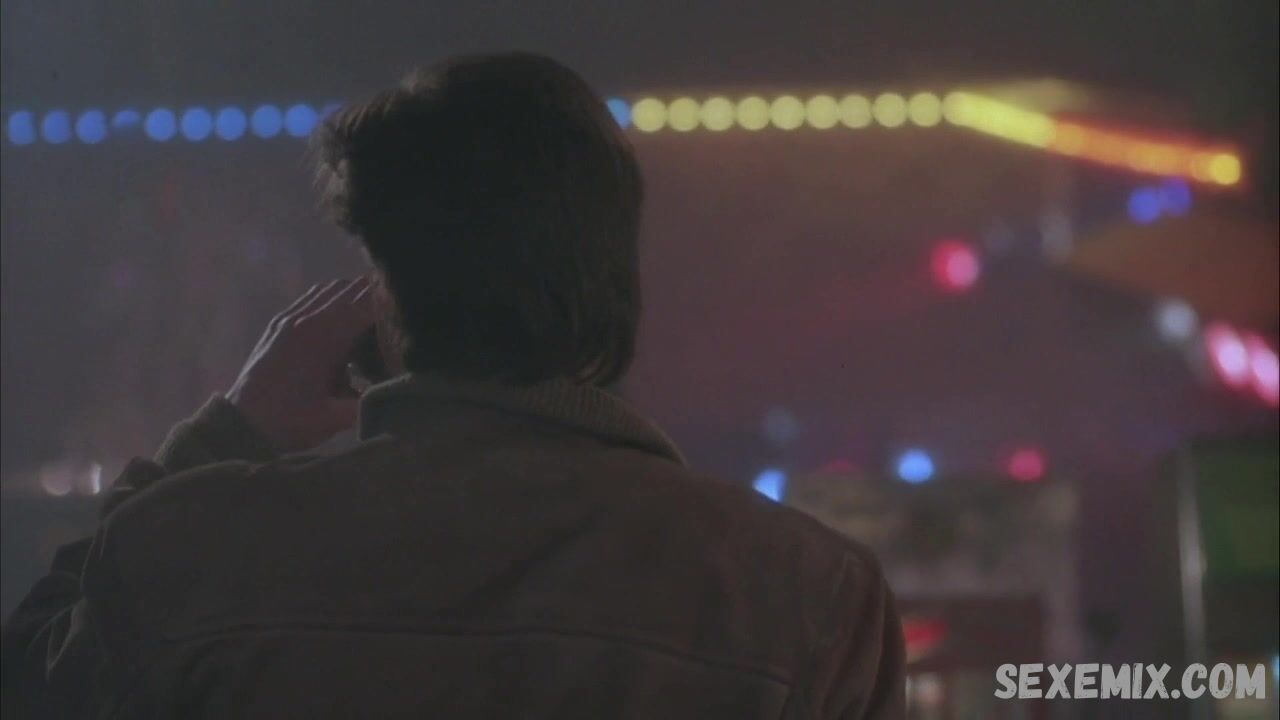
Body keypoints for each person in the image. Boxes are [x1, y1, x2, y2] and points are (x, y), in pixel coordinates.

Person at [1, 53, 904, 718]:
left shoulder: (189, 547)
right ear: (614, 276)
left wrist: (227, 435)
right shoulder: (809, 593)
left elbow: (27, 684)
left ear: (383, 294)